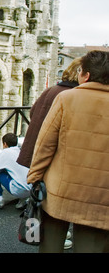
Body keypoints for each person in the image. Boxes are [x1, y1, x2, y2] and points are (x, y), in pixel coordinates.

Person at [27, 50, 109, 253]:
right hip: (101, 197)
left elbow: (45, 144)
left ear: (86, 75)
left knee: (51, 246)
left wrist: (35, 177)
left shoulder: (67, 98)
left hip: (60, 190)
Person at [17, 57, 81, 169]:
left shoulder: (51, 89)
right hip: (52, 153)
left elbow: (32, 112)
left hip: (35, 148)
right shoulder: (73, 95)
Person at [0, 133, 31, 208]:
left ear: (5, 144)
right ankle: (23, 200)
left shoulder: (6, 152)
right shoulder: (21, 151)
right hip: (31, 189)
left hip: (19, 190)